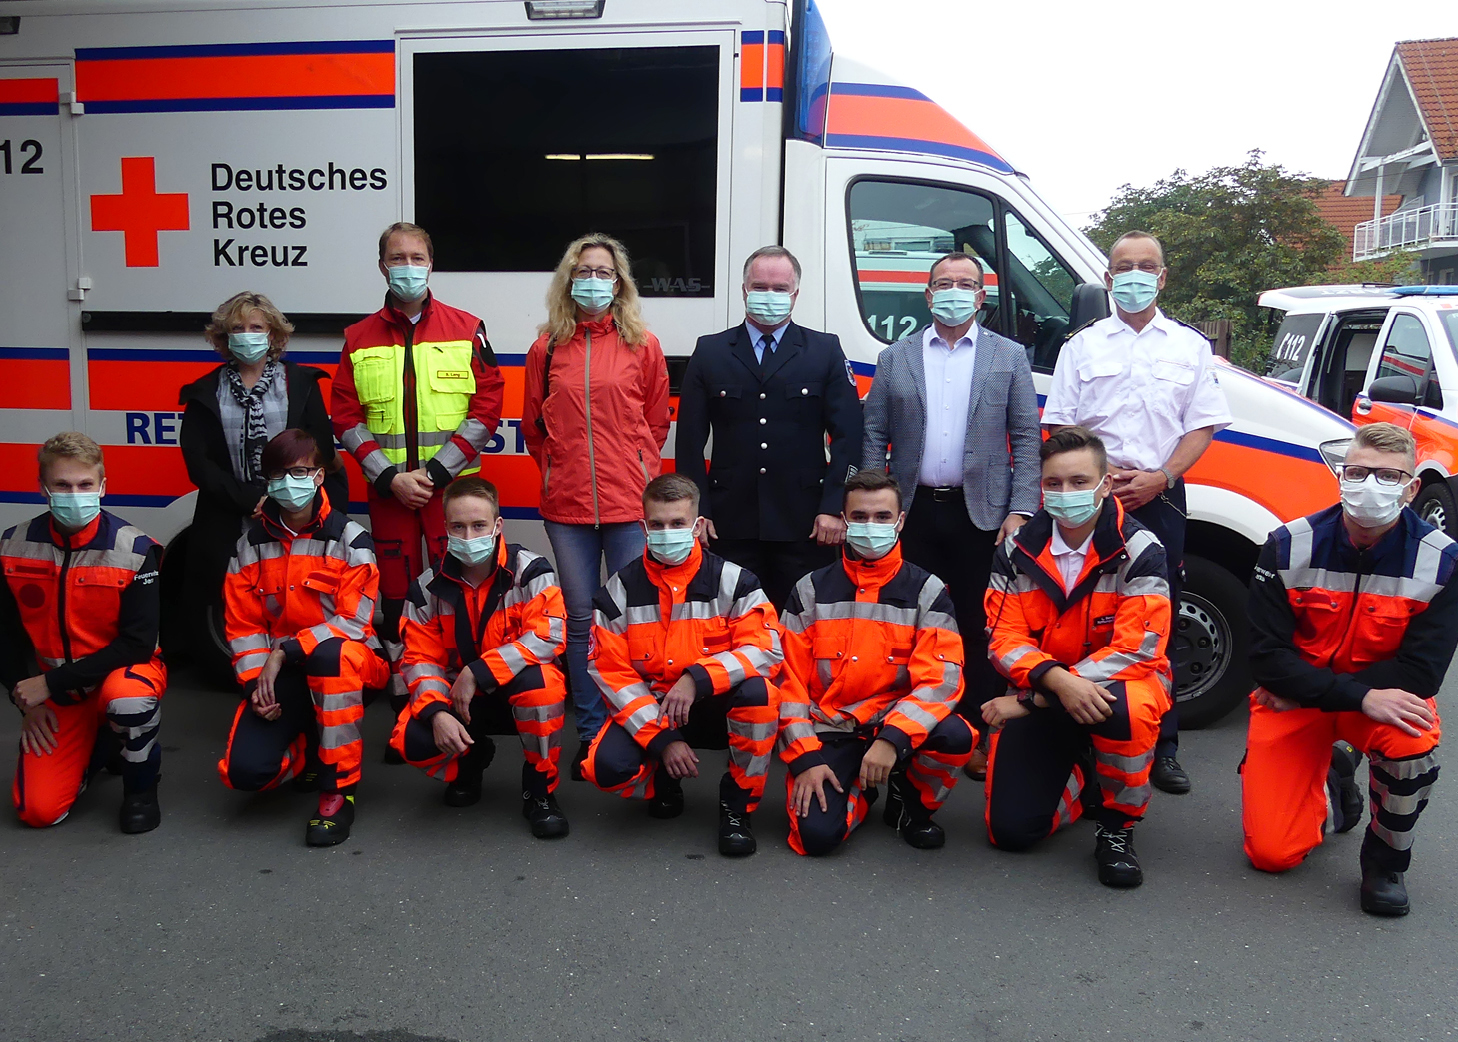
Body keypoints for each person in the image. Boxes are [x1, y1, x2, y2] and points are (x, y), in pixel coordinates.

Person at [1041, 230, 1231, 795]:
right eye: (1123, 267)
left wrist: (1161, 477)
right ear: (1107, 279)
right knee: (1084, 615)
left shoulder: (1191, 347)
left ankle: (1161, 745)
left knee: (1156, 623)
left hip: (1161, 494)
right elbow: (1060, 425)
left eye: (1146, 266)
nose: (1134, 275)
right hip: (1093, 499)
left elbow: (1202, 426)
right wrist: (1094, 482)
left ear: (1163, 277)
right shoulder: (1082, 346)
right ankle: (1081, 737)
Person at [1242, 423, 1457, 916]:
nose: (1369, 486)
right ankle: (1334, 782)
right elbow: (1264, 657)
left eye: (1387, 476)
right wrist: (1352, 695)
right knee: (1272, 854)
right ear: (1340, 475)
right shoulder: (1287, 544)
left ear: (1412, 487)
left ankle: (1386, 862)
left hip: (1343, 697)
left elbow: (1421, 674)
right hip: (1305, 701)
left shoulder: (1443, 562)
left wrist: (1339, 696)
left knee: (1413, 745)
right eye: (1358, 472)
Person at [860, 251, 1040, 779]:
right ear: (928, 293)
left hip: (980, 514)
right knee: (910, 624)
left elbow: (1027, 435)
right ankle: (905, 728)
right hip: (911, 512)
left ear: (982, 296)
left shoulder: (1008, 356)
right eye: (944, 282)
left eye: (966, 283)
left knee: (978, 625)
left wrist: (1021, 508)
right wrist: (873, 507)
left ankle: (979, 734)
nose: (954, 290)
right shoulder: (896, 357)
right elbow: (874, 433)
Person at [331, 222, 505, 729]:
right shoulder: (357, 338)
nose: (408, 265)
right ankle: (408, 698)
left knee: (462, 586)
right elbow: (344, 415)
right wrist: (388, 478)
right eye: (397, 257)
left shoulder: (467, 327)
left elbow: (487, 407)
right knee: (395, 589)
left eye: (417, 256)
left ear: (432, 263)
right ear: (382, 265)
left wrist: (431, 472)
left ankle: (465, 696)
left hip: (452, 497)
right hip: (390, 495)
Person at [981, 426, 1172, 887]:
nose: (1065, 493)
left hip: (1116, 686)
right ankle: (1084, 777)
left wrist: (1036, 699)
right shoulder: (1016, 549)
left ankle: (1117, 826)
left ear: (1105, 485)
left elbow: (1138, 648)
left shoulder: (1141, 549)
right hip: (1045, 685)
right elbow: (1001, 637)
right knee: (1012, 831)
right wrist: (1056, 683)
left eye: (1079, 482)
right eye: (1054, 483)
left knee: (1130, 711)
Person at [521, 233, 671, 778]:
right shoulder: (548, 348)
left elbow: (657, 421)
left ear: (619, 282)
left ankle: (635, 723)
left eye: (603, 272)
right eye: (583, 270)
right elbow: (533, 426)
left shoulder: (643, 344)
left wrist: (638, 467)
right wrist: (557, 467)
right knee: (581, 621)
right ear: (568, 279)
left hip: (629, 503)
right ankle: (589, 730)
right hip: (567, 507)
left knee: (631, 620)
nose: (593, 280)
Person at [581, 474, 781, 856]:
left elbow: (766, 649)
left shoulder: (736, 581)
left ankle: (738, 806)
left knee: (760, 694)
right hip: (655, 709)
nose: (667, 532)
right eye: (657, 524)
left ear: (698, 525)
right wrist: (661, 740)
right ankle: (662, 778)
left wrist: (698, 678)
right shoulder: (616, 592)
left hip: (715, 704)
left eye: (677, 523)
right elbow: (611, 674)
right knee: (604, 769)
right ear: (643, 527)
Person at [777, 470, 975, 856]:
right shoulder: (810, 589)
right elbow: (787, 682)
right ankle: (859, 792)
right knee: (815, 838)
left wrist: (893, 738)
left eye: (883, 517)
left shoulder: (927, 591)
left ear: (900, 521)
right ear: (844, 519)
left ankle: (912, 805)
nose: (872, 527)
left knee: (956, 736)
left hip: (895, 723)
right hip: (830, 725)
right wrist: (805, 757)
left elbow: (943, 679)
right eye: (861, 517)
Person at [216, 429, 390, 846]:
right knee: (247, 774)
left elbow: (355, 622)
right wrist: (258, 683)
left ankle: (337, 789)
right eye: (278, 474)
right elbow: (242, 628)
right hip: (282, 670)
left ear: (318, 476)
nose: (287, 482)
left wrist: (287, 650)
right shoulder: (249, 546)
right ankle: (306, 745)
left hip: (351, 664)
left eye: (298, 471)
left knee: (331, 657)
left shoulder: (351, 540)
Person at [676, 245, 863, 610]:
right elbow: (689, 442)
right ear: (744, 290)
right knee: (732, 620)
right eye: (760, 286)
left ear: (795, 294)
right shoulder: (711, 351)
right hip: (730, 523)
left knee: (803, 621)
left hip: (806, 522)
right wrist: (698, 511)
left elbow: (848, 436)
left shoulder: (823, 350)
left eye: (780, 289)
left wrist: (834, 506)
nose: (769, 296)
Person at [0, 433, 167, 833]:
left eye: (85, 485)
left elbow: (138, 643)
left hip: (122, 674)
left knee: (128, 703)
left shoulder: (136, 548)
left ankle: (140, 789)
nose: (74, 494)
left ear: (102, 486)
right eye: (62, 485)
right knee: (38, 812)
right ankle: (102, 743)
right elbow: (5, 635)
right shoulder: (12, 545)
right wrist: (25, 699)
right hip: (57, 692)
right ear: (43, 489)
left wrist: (49, 683)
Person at [388, 477, 570, 838]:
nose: (468, 536)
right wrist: (437, 712)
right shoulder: (427, 586)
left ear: (498, 526)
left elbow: (548, 637)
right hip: (459, 698)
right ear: (445, 528)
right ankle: (469, 761)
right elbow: (418, 659)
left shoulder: (530, 570)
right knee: (408, 737)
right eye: (458, 526)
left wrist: (479, 671)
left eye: (478, 525)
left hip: (511, 687)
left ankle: (540, 791)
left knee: (544, 687)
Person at [179, 291, 345, 680]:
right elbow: (198, 463)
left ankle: (300, 664)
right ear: (223, 337)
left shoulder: (301, 382)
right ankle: (252, 678)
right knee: (240, 598)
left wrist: (283, 497)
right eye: (237, 328)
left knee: (299, 592)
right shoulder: (205, 391)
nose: (247, 335)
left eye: (257, 327)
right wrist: (251, 499)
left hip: (296, 507)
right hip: (230, 512)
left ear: (273, 335)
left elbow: (319, 445)